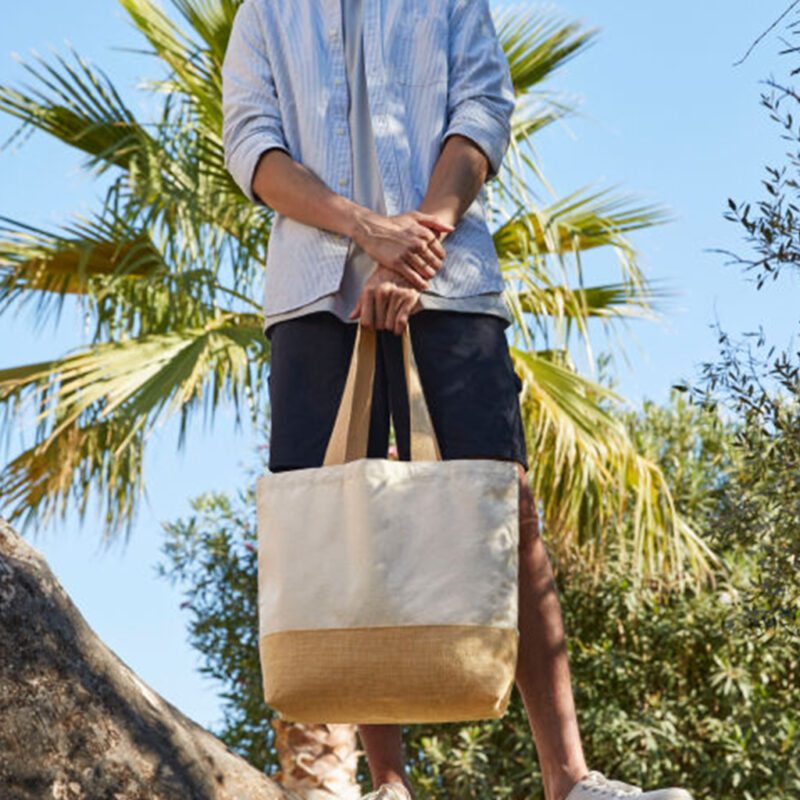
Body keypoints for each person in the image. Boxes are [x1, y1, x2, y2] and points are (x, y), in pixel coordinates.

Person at [221, 2, 695, 799]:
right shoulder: (264, 14)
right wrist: (368, 232)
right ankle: (389, 786)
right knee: (348, 521)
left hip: (452, 279)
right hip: (313, 295)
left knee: (507, 506)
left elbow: (484, 107)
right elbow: (253, 149)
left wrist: (416, 248)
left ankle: (570, 782)